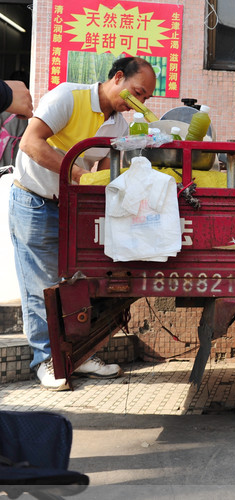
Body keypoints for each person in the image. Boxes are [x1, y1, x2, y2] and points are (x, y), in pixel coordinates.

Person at [8, 56, 156, 391]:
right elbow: (31, 143)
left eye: (145, 99)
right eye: (137, 93)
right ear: (118, 77)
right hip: (34, 201)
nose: (139, 103)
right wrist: (78, 172)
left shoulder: (118, 123)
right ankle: (45, 361)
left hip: (71, 209)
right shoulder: (67, 97)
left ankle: (77, 354)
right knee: (40, 287)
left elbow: (102, 170)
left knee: (75, 282)